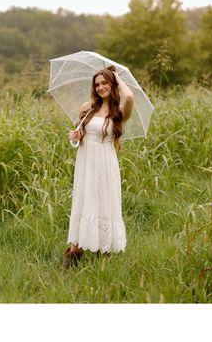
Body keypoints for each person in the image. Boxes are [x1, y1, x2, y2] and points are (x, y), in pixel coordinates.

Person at [63, 65, 134, 270]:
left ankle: (105, 251)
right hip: (86, 162)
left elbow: (129, 96)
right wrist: (75, 136)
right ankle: (75, 251)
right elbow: (79, 132)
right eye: (97, 84)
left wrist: (118, 77)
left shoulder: (120, 111)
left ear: (112, 85)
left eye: (105, 83)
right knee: (85, 202)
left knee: (104, 202)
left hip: (105, 163)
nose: (101, 87)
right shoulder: (88, 108)